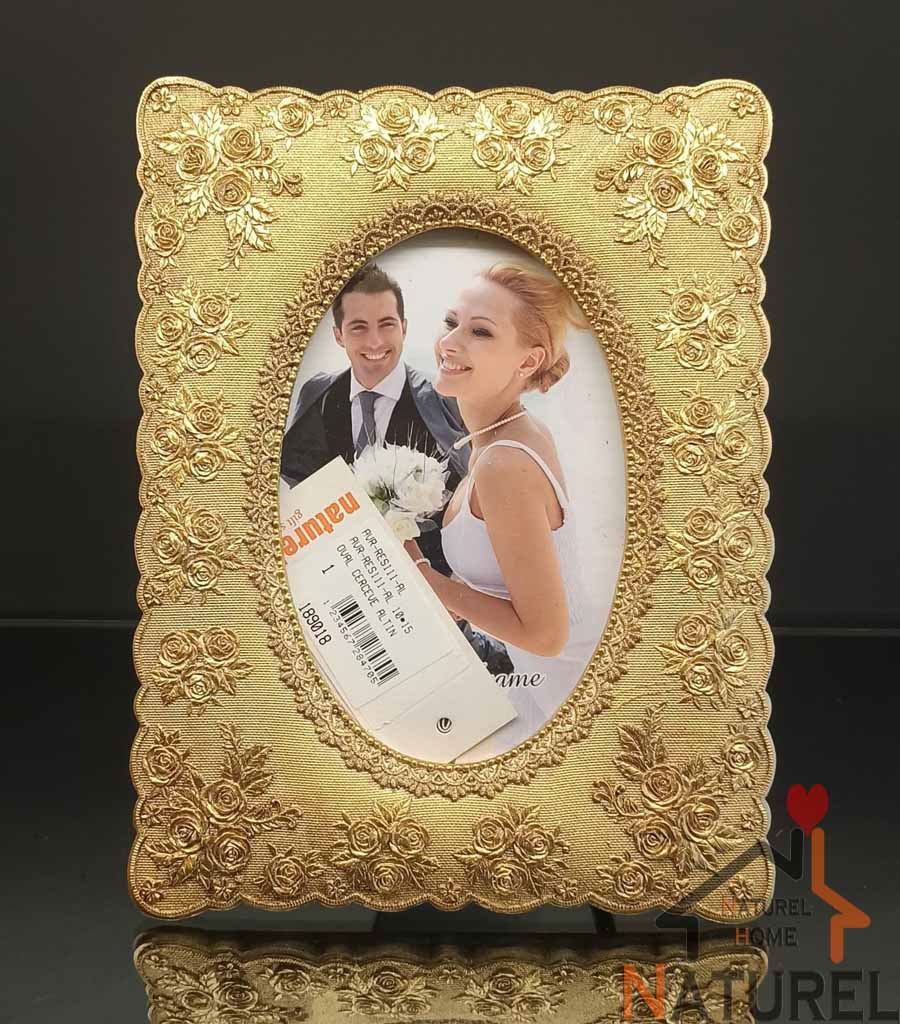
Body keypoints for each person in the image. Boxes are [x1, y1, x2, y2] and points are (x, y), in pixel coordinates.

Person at [405, 261, 600, 761]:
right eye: (451, 322)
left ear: (528, 361)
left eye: (481, 332)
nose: (450, 343)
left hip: (565, 691)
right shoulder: (506, 435)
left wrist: (426, 579)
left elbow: (546, 636)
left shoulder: (503, 462)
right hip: (538, 680)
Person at [281, 261, 513, 673]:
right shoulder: (318, 394)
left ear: (404, 328)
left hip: (439, 601)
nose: (375, 341)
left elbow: (492, 498)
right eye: (358, 327)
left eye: (386, 325)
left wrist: (462, 588)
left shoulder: (446, 400)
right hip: (353, 598)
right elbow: (297, 479)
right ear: (338, 334)